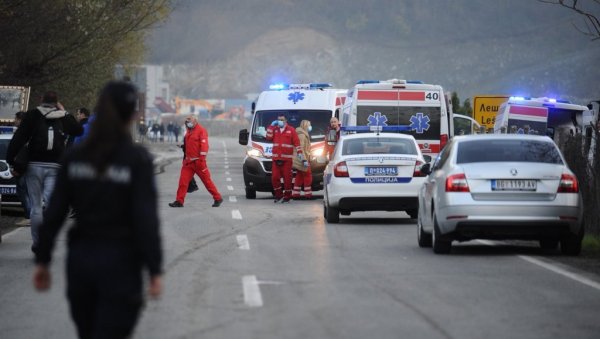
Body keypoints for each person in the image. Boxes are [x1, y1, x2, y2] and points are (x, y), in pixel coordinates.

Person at [32, 81, 163, 339]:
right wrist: (155, 270)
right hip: (122, 264)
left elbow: (55, 212)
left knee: (88, 332)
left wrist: (43, 260)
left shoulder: (76, 157)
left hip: (82, 261)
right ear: (133, 115)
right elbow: (145, 219)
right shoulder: (137, 160)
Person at [7, 91, 83, 253]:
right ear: (57, 102)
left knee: (35, 206)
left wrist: (12, 160)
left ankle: (37, 242)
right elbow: (78, 130)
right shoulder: (62, 116)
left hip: (34, 165)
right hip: (56, 166)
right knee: (50, 203)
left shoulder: (33, 115)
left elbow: (19, 138)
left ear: (41, 100)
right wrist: (66, 111)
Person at [169, 115, 223, 208]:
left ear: (195, 121)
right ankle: (179, 201)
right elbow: (190, 145)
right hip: (188, 163)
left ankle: (217, 198)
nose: (187, 123)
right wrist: (182, 146)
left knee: (207, 182)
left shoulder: (201, 131)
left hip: (199, 162)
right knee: (183, 182)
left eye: (189, 121)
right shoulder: (188, 131)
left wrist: (201, 159)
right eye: (186, 122)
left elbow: (204, 146)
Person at [266, 114, 304, 203]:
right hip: (276, 159)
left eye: (282, 120)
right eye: (278, 120)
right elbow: (268, 137)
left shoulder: (291, 130)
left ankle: (287, 197)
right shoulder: (274, 129)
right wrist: (271, 125)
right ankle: (278, 195)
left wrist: (300, 154)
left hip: (287, 160)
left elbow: (297, 143)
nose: (280, 121)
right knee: (274, 178)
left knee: (287, 180)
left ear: (286, 121)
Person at [13, 111, 31, 220]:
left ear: (20, 120)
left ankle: (29, 214)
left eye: (16, 119)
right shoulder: (31, 132)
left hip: (22, 168)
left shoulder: (21, 134)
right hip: (28, 167)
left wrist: (16, 168)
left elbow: (19, 152)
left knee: (23, 192)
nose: (14, 121)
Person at [292, 120, 312, 200]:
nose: (310, 127)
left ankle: (295, 194)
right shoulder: (302, 135)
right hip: (301, 159)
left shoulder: (302, 134)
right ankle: (308, 194)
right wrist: (304, 160)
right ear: (305, 125)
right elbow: (301, 149)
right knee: (308, 175)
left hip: (299, 159)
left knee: (299, 176)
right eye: (309, 125)